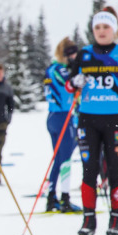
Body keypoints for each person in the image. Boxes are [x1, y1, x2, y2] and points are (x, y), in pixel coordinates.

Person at [67, 6, 118, 235]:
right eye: (97, 27)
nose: (102, 31)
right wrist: (76, 81)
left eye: (106, 27)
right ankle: (88, 219)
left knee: (114, 170)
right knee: (89, 170)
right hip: (88, 120)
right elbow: (68, 84)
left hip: (114, 120)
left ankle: (116, 218)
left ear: (114, 29)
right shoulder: (84, 54)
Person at [43, 39, 80, 213]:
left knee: (59, 158)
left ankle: (52, 197)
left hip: (54, 115)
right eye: (72, 53)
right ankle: (64, 198)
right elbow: (72, 82)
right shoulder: (59, 69)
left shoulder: (52, 68)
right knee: (65, 159)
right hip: (62, 115)